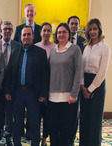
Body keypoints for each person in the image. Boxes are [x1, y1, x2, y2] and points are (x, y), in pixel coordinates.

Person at [5, 26, 48, 146]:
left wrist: (43, 93)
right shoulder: (15, 52)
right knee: (17, 122)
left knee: (34, 122)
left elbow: (45, 75)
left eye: (28, 34)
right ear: (20, 37)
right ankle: (17, 143)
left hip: (33, 93)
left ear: (33, 36)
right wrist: (7, 91)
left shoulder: (41, 53)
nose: (26, 37)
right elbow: (9, 73)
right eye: (24, 35)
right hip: (17, 92)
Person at [48, 23, 83, 146]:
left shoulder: (75, 49)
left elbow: (78, 73)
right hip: (52, 97)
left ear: (69, 34)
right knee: (53, 130)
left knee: (64, 131)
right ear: (56, 35)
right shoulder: (53, 50)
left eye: (64, 32)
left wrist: (74, 94)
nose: (61, 34)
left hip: (68, 97)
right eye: (59, 32)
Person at [80, 18, 111, 146]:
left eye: (95, 29)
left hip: (97, 85)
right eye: (90, 29)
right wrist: (83, 87)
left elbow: (102, 72)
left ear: (99, 30)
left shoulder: (105, 47)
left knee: (95, 120)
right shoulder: (86, 47)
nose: (92, 31)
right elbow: (81, 68)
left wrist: (90, 89)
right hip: (84, 83)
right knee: (84, 118)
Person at [0, 21, 22, 146]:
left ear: (12, 31)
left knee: (9, 111)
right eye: (4, 29)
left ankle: (8, 135)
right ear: (1, 31)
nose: (6, 31)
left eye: (9, 29)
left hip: (11, 84)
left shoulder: (18, 45)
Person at [35, 22, 55, 146]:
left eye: (49, 30)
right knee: (36, 115)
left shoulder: (55, 47)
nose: (46, 33)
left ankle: (44, 138)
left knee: (48, 116)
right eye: (44, 30)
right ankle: (36, 137)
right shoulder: (35, 46)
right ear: (40, 32)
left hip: (51, 87)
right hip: (37, 87)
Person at [67, 15, 86, 146]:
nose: (73, 26)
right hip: (63, 83)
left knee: (74, 114)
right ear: (68, 25)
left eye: (76, 24)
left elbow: (82, 65)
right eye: (72, 23)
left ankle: (71, 139)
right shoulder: (61, 39)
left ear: (78, 26)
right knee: (63, 113)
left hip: (77, 83)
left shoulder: (83, 41)